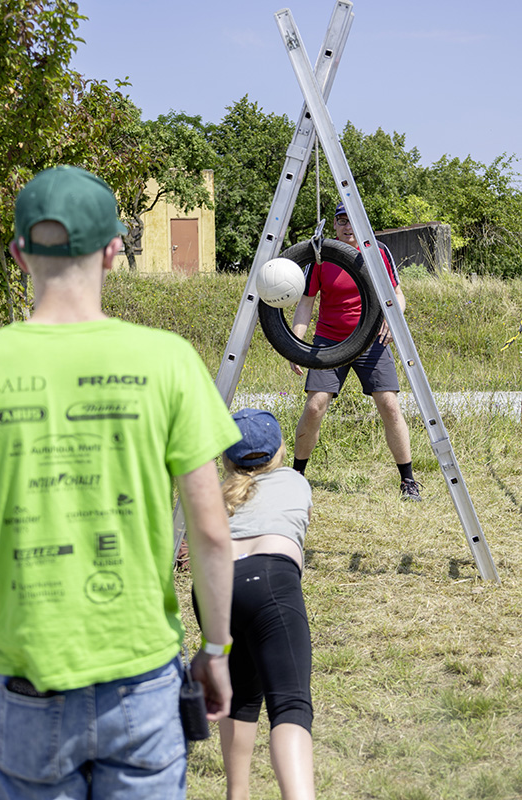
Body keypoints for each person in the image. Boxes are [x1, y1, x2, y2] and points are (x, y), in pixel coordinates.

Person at [0, 165, 241, 800]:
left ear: (19, 253)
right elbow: (211, 532)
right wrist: (215, 648)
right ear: (113, 250)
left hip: (26, 687)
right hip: (144, 687)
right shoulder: (168, 359)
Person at [211, 408, 315, 800]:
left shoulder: (215, 494)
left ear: (226, 458)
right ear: (281, 452)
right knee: (290, 704)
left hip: (214, 589)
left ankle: (236, 795)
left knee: (241, 694)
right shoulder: (293, 481)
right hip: (269, 582)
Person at [291, 202, 421, 501]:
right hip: (329, 340)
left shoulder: (378, 252)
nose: (347, 226)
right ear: (334, 226)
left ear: (363, 224)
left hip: (370, 340)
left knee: (389, 405)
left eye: (352, 220)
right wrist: (296, 344)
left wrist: (393, 318)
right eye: (341, 221)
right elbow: (306, 302)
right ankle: (297, 476)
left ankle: (408, 481)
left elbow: (398, 296)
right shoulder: (322, 256)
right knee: (314, 406)